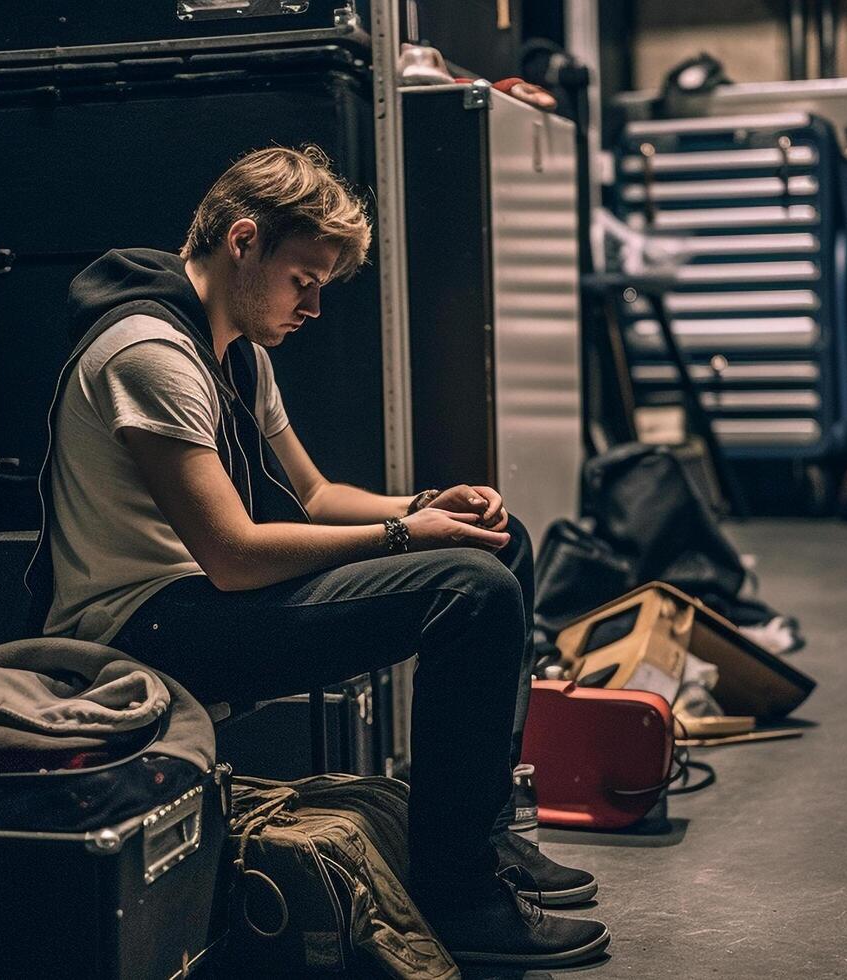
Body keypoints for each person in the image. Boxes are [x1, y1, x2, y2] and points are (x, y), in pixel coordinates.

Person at [31, 145, 609, 967]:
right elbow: (231, 555)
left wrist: (425, 506)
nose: (311, 306)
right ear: (242, 241)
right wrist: (411, 537)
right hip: (142, 627)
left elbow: (310, 495)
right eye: (302, 280)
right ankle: (460, 898)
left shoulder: (236, 352)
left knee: (497, 547)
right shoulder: (148, 353)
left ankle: (478, 840)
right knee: (469, 592)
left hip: (204, 599)